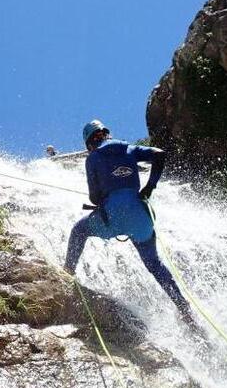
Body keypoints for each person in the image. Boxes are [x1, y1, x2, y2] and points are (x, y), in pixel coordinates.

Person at [64, 119, 196, 325]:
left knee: (79, 231)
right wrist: (149, 187)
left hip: (112, 215)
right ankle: (183, 307)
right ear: (106, 134)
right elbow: (159, 154)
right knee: (154, 264)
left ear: (90, 143)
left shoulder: (92, 158)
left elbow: (94, 198)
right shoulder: (128, 148)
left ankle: (67, 274)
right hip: (140, 216)